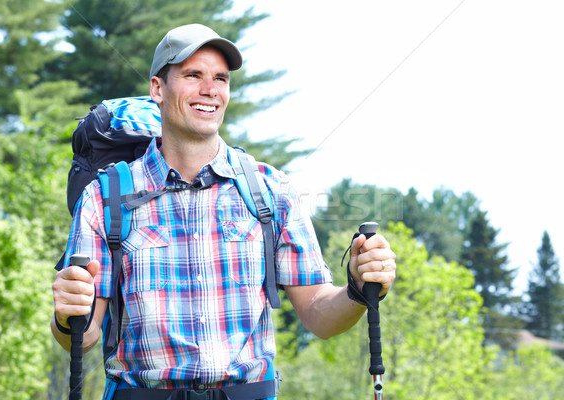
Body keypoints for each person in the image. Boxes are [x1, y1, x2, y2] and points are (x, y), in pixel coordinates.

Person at [51, 24, 396, 400]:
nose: (210, 89)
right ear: (157, 89)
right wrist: (67, 314)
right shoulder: (104, 196)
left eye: (220, 78)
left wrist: (358, 291)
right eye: (192, 75)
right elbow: (81, 339)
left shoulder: (271, 190)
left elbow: (318, 314)